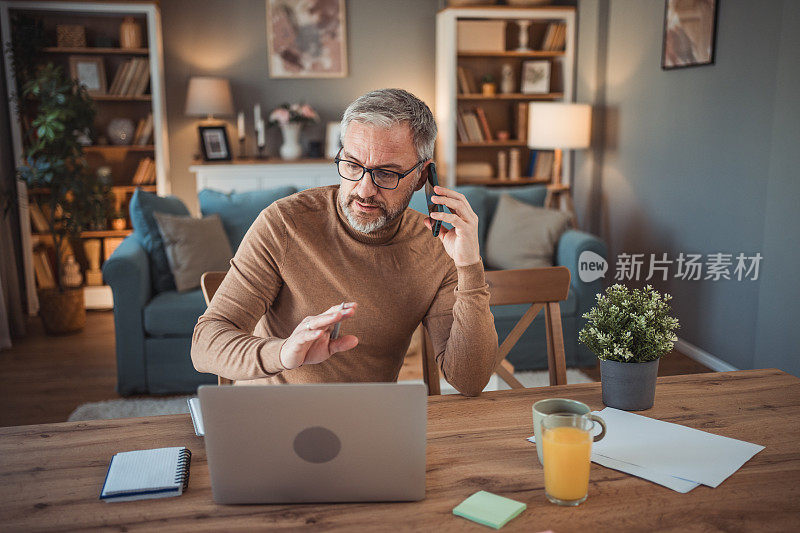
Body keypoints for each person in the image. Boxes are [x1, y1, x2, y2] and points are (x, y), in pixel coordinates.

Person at [191, 88, 498, 396]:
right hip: (273, 415)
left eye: (387, 173)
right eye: (352, 165)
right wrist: (284, 353)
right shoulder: (285, 223)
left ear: (421, 177)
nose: (364, 189)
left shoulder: (436, 245)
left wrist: (469, 266)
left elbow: (469, 380)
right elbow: (205, 344)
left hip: (366, 423)